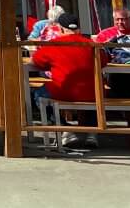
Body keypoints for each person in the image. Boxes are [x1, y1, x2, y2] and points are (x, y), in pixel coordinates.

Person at [32, 13, 100, 148]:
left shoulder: (54, 44)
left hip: (63, 91)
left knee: (37, 94)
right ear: (78, 29)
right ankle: (92, 132)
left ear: (61, 29)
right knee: (94, 90)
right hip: (92, 93)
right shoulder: (92, 44)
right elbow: (103, 61)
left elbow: (37, 61)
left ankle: (64, 128)